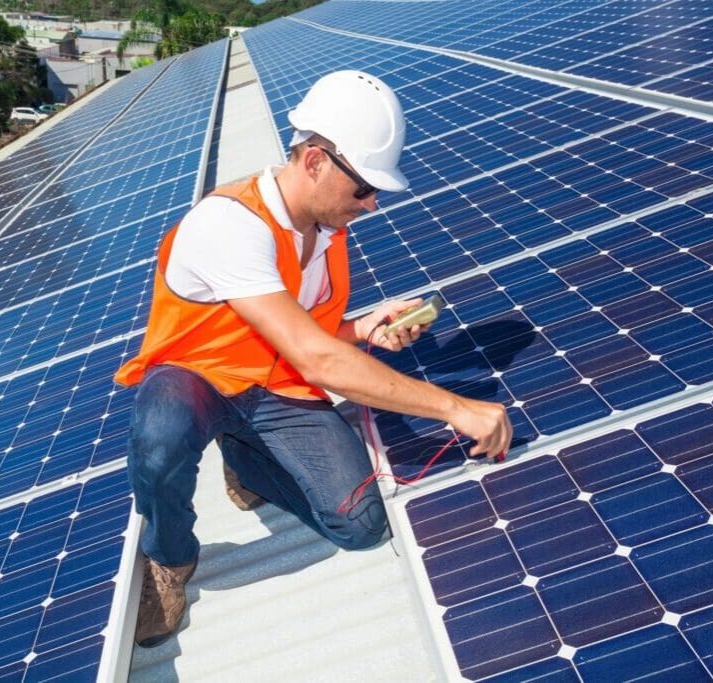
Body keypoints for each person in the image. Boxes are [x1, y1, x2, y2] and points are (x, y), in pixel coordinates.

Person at [114, 70, 512, 648]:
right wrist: (455, 408)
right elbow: (318, 358)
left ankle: (245, 458)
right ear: (316, 160)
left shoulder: (325, 233)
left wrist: (364, 329)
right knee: (161, 433)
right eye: (363, 189)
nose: (371, 205)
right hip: (197, 381)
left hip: (276, 389)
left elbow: (310, 333)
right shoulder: (230, 225)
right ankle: (170, 557)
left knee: (361, 527)